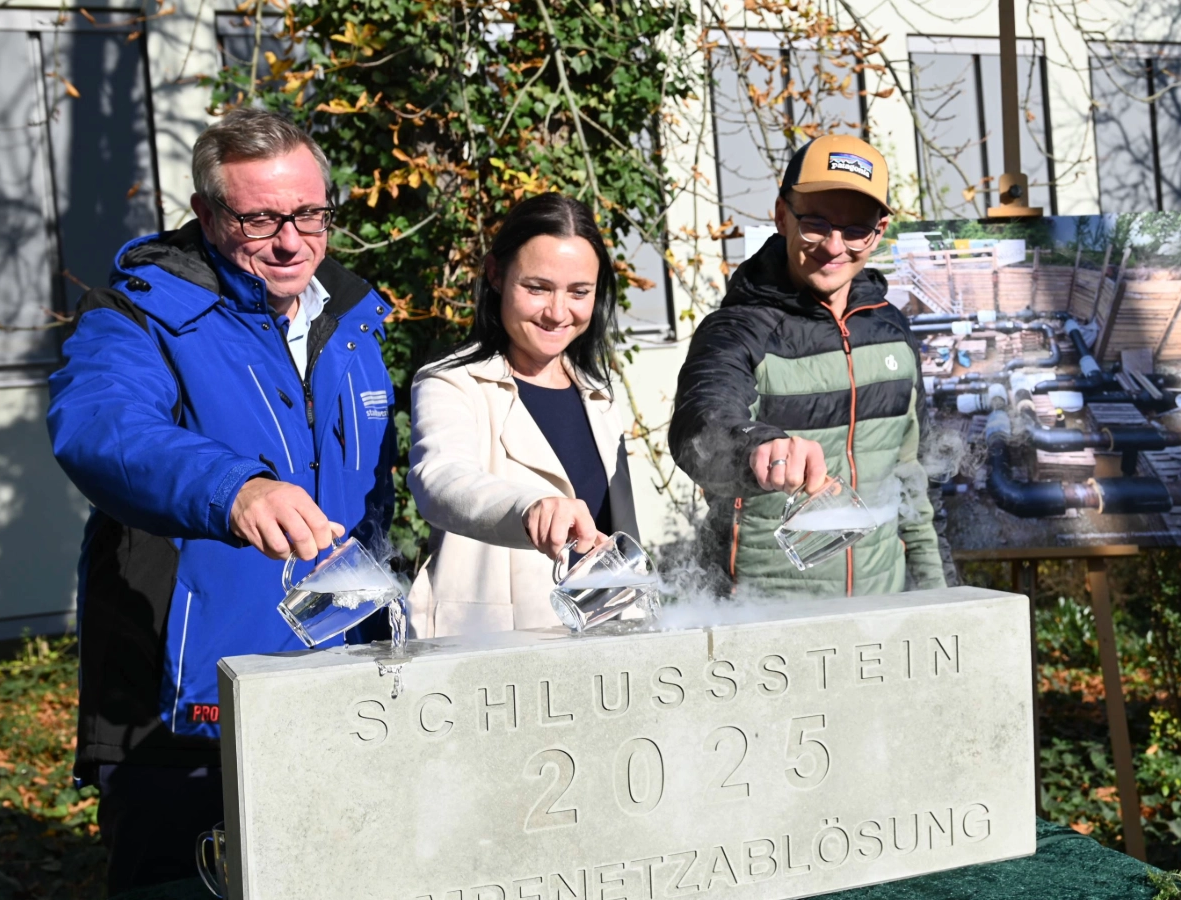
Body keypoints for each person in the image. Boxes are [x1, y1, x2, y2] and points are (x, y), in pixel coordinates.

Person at [46, 108, 396, 893]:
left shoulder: (354, 322)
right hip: (190, 706)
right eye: (260, 216)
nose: (291, 239)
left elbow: (374, 501)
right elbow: (98, 427)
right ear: (206, 215)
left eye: (309, 213)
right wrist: (232, 488)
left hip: (343, 689)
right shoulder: (140, 313)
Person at [669, 135, 944, 597]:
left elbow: (911, 480)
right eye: (815, 223)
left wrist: (940, 593)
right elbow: (698, 431)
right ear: (782, 216)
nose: (834, 246)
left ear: (878, 233)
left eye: (856, 229)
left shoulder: (893, 330)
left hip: (885, 612)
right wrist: (759, 448)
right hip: (761, 616)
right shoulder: (736, 330)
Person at [406, 192, 638, 636]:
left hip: (603, 648)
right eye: (537, 288)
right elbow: (441, 479)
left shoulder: (600, 394)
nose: (557, 312)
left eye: (579, 292)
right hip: (489, 651)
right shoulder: (452, 382)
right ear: (495, 275)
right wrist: (528, 507)